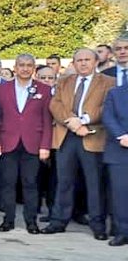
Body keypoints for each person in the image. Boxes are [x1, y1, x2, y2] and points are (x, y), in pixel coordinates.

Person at [42, 48, 115, 239]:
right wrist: (72, 122)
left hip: (92, 136)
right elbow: (55, 104)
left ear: (95, 62)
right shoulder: (64, 81)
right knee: (63, 182)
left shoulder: (108, 82)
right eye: (79, 60)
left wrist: (84, 120)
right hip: (67, 136)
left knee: (94, 184)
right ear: (74, 63)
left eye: (87, 59)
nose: (83, 63)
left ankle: (98, 224)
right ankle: (58, 221)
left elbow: (107, 107)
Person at [0, 54, 52, 234]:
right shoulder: (2, 89)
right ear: (15, 68)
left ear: (34, 68)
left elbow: (47, 120)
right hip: (7, 142)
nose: (25, 68)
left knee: (31, 184)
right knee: (7, 183)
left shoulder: (44, 89)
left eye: (29, 65)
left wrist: (45, 145)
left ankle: (31, 221)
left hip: (33, 144)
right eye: (21, 65)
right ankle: (8, 219)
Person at [100, 79, 128, 246]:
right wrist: (122, 136)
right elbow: (108, 117)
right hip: (119, 150)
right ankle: (122, 231)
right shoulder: (115, 93)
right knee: (120, 195)